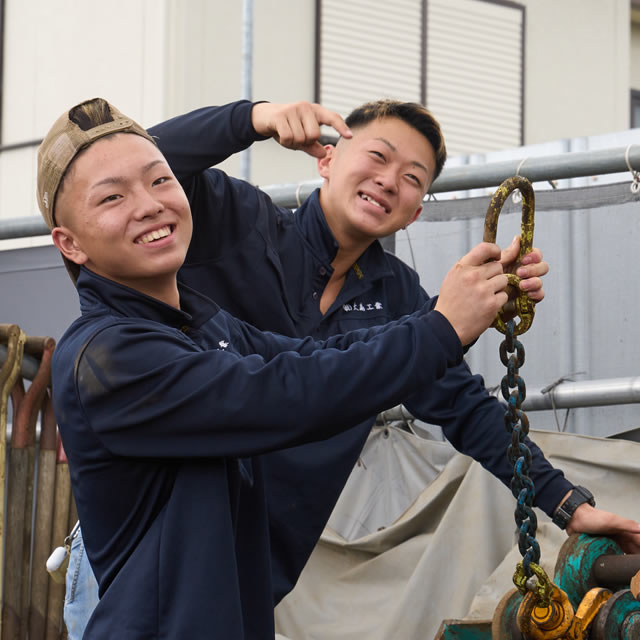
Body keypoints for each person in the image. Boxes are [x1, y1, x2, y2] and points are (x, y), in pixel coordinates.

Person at [58, 98, 640, 637]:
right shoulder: (240, 224)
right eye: (378, 156)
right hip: (153, 560)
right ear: (326, 160)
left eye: (413, 177)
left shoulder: (395, 296)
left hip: (247, 554)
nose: (390, 180)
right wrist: (252, 117)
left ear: (415, 213)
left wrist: (568, 504)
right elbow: (126, 162)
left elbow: (460, 404)